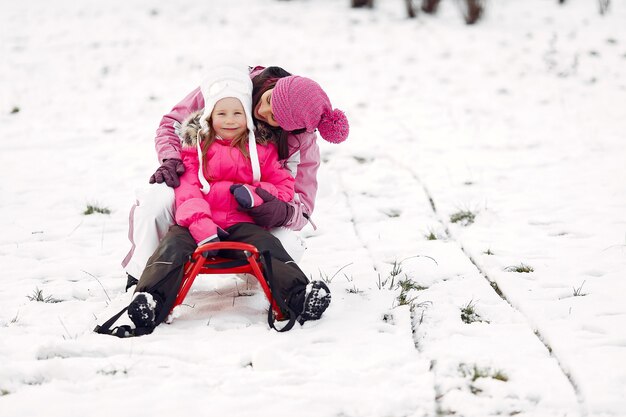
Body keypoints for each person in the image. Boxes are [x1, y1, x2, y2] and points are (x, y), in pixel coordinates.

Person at [125, 65, 336, 334]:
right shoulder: (205, 130)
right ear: (209, 115)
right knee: (173, 245)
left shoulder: (265, 149)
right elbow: (187, 188)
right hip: (197, 222)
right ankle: (149, 296)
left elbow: (286, 186)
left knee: (270, 245)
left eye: (273, 118)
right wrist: (200, 222)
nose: (263, 112)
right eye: (268, 102)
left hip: (243, 220)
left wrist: (267, 202)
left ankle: (298, 295)